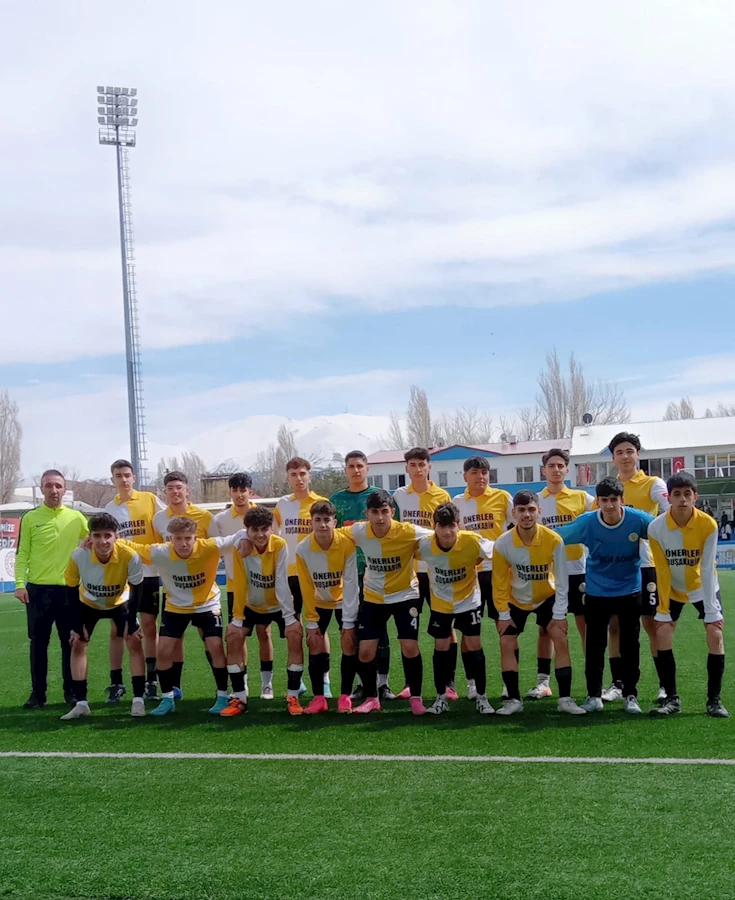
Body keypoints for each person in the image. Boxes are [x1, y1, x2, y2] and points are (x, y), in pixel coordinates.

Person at [119, 517, 245, 716]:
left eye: (188, 538)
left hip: (207, 604)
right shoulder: (160, 552)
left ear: (195, 538)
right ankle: (167, 698)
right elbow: (131, 546)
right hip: (176, 606)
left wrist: (245, 537)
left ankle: (222, 695)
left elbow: (238, 535)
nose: (184, 543)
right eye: (178, 538)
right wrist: (103, 541)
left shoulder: (210, 547)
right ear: (171, 539)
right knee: (163, 650)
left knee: (215, 646)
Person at [557, 477, 654, 715]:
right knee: (594, 645)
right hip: (597, 592)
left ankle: (630, 695)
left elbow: (664, 532)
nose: (609, 505)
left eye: (613, 500)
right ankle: (593, 696)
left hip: (630, 591)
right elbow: (555, 538)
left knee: (630, 645)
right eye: (604, 500)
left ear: (622, 500)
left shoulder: (639, 520)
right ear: (598, 502)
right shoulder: (587, 523)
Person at [492, 490, 585, 716]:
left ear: (539, 512)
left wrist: (559, 614)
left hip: (546, 597)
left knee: (560, 637)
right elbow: (499, 583)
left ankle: (565, 699)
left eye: (531, 509)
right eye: (521, 510)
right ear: (513, 513)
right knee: (506, 641)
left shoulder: (553, 539)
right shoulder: (503, 543)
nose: (527, 515)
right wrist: (503, 615)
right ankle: (513, 700)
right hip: (516, 599)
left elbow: (562, 581)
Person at [342, 489, 432, 715]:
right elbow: (332, 535)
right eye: (375, 512)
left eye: (384, 511)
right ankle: (372, 698)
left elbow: (438, 535)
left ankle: (416, 698)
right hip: (374, 596)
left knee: (409, 646)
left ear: (392, 511)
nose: (380, 517)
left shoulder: (408, 531)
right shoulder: (359, 531)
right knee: (365, 651)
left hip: (405, 595)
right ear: (367, 514)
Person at [648, 473, 728, 717]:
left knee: (715, 633)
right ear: (669, 497)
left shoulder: (708, 524)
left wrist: (712, 610)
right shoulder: (656, 528)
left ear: (695, 497)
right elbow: (661, 570)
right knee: (662, 632)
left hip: (702, 587)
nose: (682, 499)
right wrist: (663, 609)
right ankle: (671, 698)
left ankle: (714, 700)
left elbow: (707, 568)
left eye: (687, 494)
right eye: (676, 494)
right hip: (672, 588)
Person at [603, 432, 670, 704]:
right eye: (619, 452)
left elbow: (668, 508)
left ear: (638, 454)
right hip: (616, 567)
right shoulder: (608, 487)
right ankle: (617, 684)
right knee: (614, 626)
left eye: (630, 451)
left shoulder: (653, 483)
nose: (625, 456)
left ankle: (664, 685)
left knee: (652, 624)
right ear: (613, 457)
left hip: (646, 565)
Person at [14, 469, 89, 709]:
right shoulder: (30, 518)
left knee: (70, 643)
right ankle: (38, 695)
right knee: (38, 645)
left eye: (58, 485)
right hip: (37, 591)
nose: (53, 490)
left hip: (68, 591)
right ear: (42, 489)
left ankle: (71, 693)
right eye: (48, 486)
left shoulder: (77, 517)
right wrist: (19, 584)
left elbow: (93, 540)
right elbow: (22, 553)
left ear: (64, 489)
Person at [221, 506, 304, 717]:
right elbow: (240, 582)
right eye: (254, 530)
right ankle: (239, 697)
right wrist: (237, 618)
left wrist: (289, 616)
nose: (259, 535)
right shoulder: (241, 548)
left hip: (278, 605)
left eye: (264, 529)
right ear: (247, 530)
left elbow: (281, 581)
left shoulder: (280, 545)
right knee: (233, 636)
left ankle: (293, 696)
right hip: (252, 605)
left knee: (295, 633)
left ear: (271, 528)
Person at [62, 514, 146, 720]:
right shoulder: (78, 556)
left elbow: (137, 589)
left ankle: (138, 700)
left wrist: (132, 621)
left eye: (107, 535)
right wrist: (76, 624)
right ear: (89, 537)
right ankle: (81, 704)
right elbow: (70, 591)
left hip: (120, 603)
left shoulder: (130, 555)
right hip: (88, 604)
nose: (103, 541)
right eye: (97, 536)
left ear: (116, 536)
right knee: (78, 643)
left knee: (134, 641)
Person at [416, 502, 495, 716]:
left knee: (474, 644)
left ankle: (482, 697)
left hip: (469, 601)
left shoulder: (472, 541)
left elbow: (498, 550)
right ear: (434, 526)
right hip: (441, 603)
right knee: (441, 646)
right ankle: (441, 697)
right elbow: (405, 553)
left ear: (458, 525)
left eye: (451, 525)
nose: (447, 532)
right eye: (442, 526)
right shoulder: (424, 545)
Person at [330, 450, 395, 702]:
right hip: (349, 573)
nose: (356, 470)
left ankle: (383, 683)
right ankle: (361, 683)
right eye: (351, 466)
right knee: (355, 629)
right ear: (345, 470)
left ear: (367, 468)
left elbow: (395, 531)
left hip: (378, 571)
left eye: (360, 466)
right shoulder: (337, 499)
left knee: (381, 629)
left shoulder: (380, 496)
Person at [529, 448, 594, 699]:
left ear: (567, 470)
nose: (556, 470)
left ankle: (593, 683)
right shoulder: (535, 500)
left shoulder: (583, 498)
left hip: (578, 572)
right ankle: (543, 683)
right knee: (545, 629)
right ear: (543, 470)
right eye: (551, 466)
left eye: (560, 466)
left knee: (585, 627)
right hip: (548, 575)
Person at [393, 448, 454, 700]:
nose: (418, 469)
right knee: (408, 630)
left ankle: (449, 683)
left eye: (422, 464)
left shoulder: (442, 495)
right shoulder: (398, 496)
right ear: (406, 468)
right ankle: (410, 684)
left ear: (429, 467)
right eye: (413, 464)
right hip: (409, 572)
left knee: (447, 626)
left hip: (436, 570)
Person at [208, 473, 275, 699]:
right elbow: (217, 548)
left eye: (243, 490)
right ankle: (242, 685)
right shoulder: (220, 519)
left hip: (262, 585)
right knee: (239, 635)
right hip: (235, 586)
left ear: (250, 491)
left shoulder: (263, 515)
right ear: (230, 493)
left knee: (264, 632)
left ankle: (267, 684)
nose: (239, 494)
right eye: (235, 490)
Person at [104, 458, 165, 703]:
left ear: (134, 477)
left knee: (149, 626)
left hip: (149, 574)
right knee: (117, 630)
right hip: (121, 577)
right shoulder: (109, 508)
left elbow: (168, 521)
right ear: (113, 480)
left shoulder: (150, 500)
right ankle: (116, 683)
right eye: (118, 476)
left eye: (127, 475)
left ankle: (151, 681)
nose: (124, 479)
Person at [453, 456, 513, 700]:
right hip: (469, 576)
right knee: (468, 632)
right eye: (475, 472)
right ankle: (472, 684)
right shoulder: (457, 502)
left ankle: (509, 683)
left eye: (484, 472)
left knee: (505, 627)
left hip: (498, 572)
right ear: (465, 476)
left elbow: (516, 527)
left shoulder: (502, 497)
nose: (480, 476)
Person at [153, 471, 213, 698]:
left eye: (179, 487)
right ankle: (175, 687)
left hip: (202, 591)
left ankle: (221, 689)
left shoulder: (205, 516)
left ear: (187, 490)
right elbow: (158, 551)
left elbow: (214, 547)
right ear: (165, 492)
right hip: (174, 591)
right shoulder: (158, 518)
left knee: (210, 639)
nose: (175, 492)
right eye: (170, 488)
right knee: (174, 640)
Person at [295, 500, 359, 714]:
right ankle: (319, 698)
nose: (322, 525)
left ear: (334, 522)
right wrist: (312, 620)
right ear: (311, 522)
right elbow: (305, 587)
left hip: (343, 600)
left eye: (326, 520)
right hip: (319, 601)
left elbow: (351, 582)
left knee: (349, 642)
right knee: (314, 641)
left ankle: (345, 697)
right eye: (318, 520)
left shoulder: (347, 544)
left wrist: (349, 620)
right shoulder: (302, 549)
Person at [273, 457, 328, 696]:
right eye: (294, 474)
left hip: (316, 575)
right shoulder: (282, 504)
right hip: (290, 575)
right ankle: (298, 679)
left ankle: (325, 680)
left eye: (302, 473)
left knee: (319, 629)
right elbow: (273, 534)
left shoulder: (322, 503)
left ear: (309, 476)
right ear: (288, 478)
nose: (299, 478)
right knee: (293, 628)